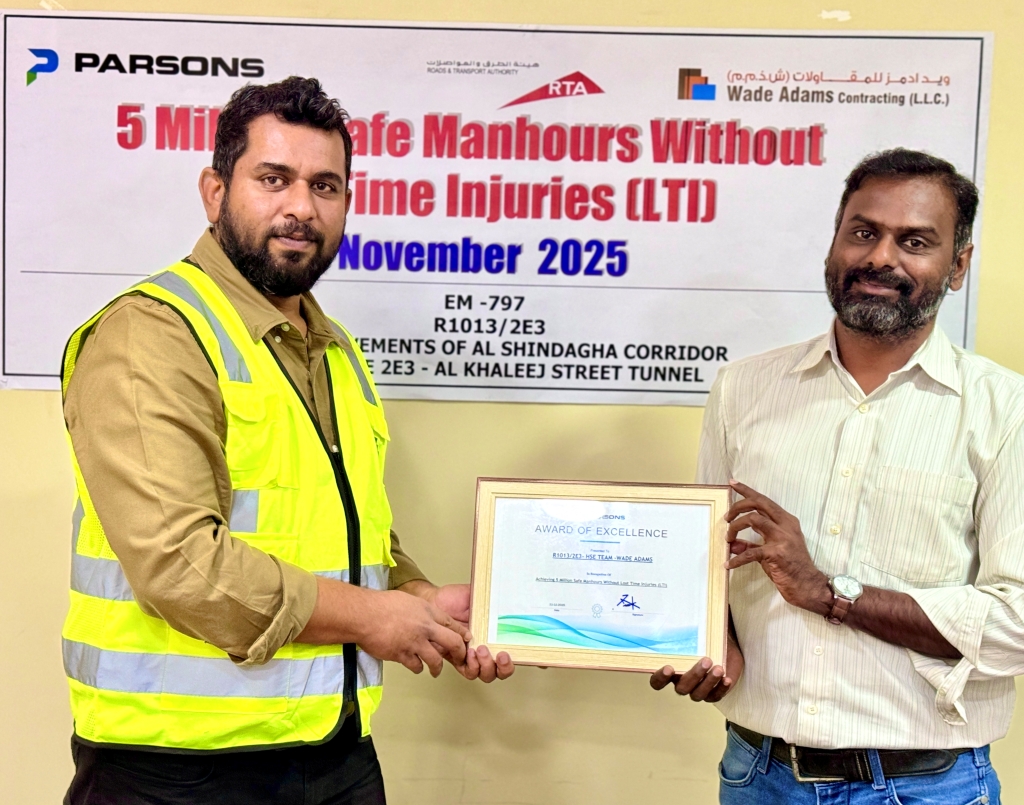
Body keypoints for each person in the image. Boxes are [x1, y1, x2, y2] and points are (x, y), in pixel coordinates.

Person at [61, 76, 513, 805]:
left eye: (325, 186)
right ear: (215, 192)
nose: (301, 207)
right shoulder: (153, 335)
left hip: (334, 753)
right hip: (178, 772)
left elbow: (342, 529)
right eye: (274, 179)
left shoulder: (333, 350)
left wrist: (418, 597)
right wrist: (377, 618)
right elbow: (180, 563)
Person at [651, 148, 1024, 803]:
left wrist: (830, 592)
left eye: (914, 241)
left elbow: (1016, 623)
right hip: (758, 774)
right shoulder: (743, 388)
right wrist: (712, 640)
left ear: (958, 265)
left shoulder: (1006, 410)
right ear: (834, 242)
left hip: (929, 786)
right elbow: (712, 562)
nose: (881, 257)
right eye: (863, 232)